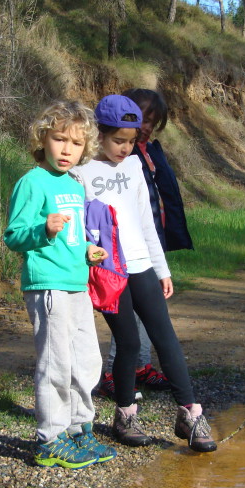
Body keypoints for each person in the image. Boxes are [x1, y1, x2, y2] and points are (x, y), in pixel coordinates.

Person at [75, 94, 216, 452]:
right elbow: (78, 226)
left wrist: (161, 268)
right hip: (109, 269)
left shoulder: (135, 165)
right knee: (129, 342)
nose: (125, 148)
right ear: (99, 134)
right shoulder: (81, 170)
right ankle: (125, 414)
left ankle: (190, 413)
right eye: (118, 140)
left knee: (165, 337)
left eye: (131, 140)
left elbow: (146, 222)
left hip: (141, 264)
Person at [4, 100, 117, 469]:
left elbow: (73, 235)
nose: (67, 149)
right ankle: (50, 439)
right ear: (43, 139)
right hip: (48, 285)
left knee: (87, 359)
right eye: (60, 139)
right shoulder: (32, 183)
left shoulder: (75, 185)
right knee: (56, 361)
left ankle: (78, 427)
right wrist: (43, 229)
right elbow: (14, 235)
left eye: (76, 143)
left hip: (77, 283)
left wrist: (87, 250)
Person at [95, 88, 194, 398]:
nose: (145, 128)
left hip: (144, 253)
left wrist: (161, 263)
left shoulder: (142, 157)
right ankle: (116, 382)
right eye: (143, 120)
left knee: (156, 327)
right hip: (111, 262)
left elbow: (149, 213)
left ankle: (151, 375)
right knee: (126, 331)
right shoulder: (94, 165)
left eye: (151, 122)